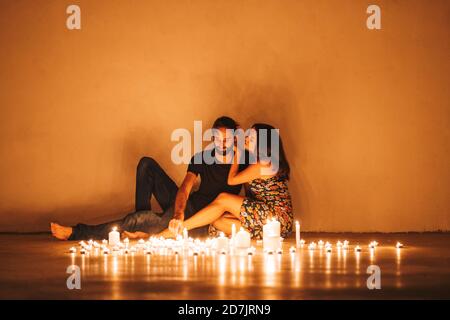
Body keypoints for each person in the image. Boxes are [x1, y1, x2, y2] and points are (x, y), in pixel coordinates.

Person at [50, 116, 248, 240]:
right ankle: (143, 226)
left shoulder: (243, 160)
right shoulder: (202, 157)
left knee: (135, 220)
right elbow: (185, 188)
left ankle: (77, 232)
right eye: (218, 138)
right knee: (147, 164)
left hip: (200, 219)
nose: (222, 143)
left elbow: (250, 194)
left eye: (228, 139)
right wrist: (178, 213)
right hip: (186, 207)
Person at [127, 123, 293, 240]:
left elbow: (232, 179)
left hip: (276, 216)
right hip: (270, 225)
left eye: (252, 136)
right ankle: (258, 236)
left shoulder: (264, 162)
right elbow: (185, 186)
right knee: (217, 221)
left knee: (223, 199)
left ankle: (162, 235)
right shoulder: (255, 161)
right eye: (247, 134)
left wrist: (236, 152)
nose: (247, 138)